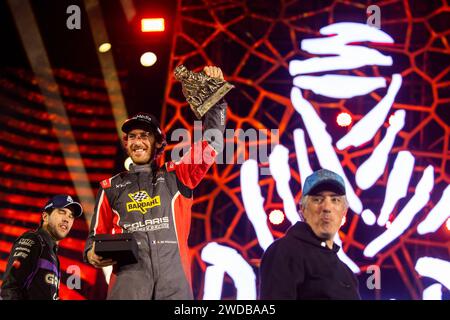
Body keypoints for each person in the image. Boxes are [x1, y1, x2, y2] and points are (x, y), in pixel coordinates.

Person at [84, 66, 227, 299]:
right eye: (132, 137)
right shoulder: (110, 188)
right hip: (127, 290)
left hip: (174, 289)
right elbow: (94, 237)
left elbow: (213, 144)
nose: (137, 141)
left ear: (158, 142)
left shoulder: (178, 175)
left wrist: (216, 99)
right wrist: (91, 253)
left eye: (144, 135)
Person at [259, 169, 361, 299]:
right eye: (318, 199)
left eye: (335, 200)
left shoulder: (346, 272)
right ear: (303, 210)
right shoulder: (285, 251)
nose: (327, 207)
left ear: (344, 212)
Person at [0, 195, 83, 300]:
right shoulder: (33, 240)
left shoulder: (52, 253)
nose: (67, 219)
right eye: (62, 212)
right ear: (45, 217)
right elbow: (10, 288)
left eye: (71, 216)